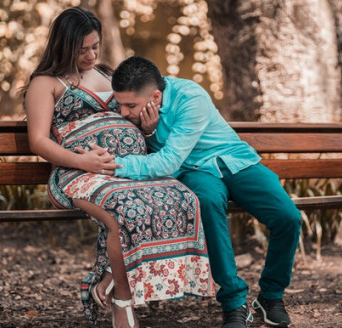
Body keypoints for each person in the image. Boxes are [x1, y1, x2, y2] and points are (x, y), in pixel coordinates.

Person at [23, 8, 214, 328]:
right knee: (123, 209)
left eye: (95, 46)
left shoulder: (110, 74)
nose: (90, 54)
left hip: (130, 169)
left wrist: (149, 131)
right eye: (82, 49)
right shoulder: (45, 83)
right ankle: (122, 304)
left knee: (181, 197)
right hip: (78, 172)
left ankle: (111, 276)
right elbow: (38, 142)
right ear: (63, 45)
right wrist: (82, 161)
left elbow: (135, 117)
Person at [111, 56, 302, 328]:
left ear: (155, 95)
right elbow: (164, 156)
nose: (123, 112)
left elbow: (167, 161)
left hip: (233, 160)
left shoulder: (190, 97)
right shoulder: (135, 109)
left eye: (130, 105)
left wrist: (112, 164)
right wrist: (149, 133)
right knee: (207, 203)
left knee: (288, 217)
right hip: (195, 171)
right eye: (120, 104)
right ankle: (234, 303)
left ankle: (271, 296)